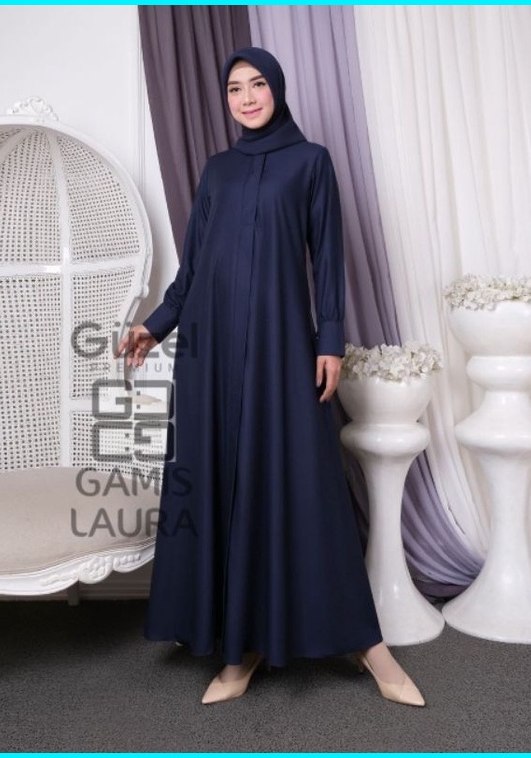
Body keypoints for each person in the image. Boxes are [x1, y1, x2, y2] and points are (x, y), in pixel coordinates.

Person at [117, 46, 425, 707]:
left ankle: (368, 646)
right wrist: (156, 326)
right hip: (211, 353)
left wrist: (330, 341)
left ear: (277, 89)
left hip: (284, 348)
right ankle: (240, 648)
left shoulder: (310, 162)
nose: (247, 97)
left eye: (258, 84)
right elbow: (193, 268)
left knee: (303, 486)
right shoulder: (218, 170)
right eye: (235, 88)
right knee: (224, 483)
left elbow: (328, 259)